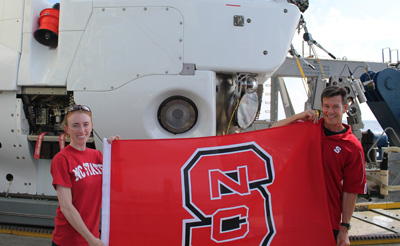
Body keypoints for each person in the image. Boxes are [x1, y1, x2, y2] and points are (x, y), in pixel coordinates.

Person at [272, 85, 367, 246]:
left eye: (335, 107)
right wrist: (298, 116)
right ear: (321, 107)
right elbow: (272, 131)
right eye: (326, 106)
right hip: (294, 216)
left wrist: (344, 229)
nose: (330, 111)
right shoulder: (308, 129)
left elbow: (351, 190)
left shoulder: (353, 147)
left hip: (327, 221)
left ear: (344, 108)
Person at [50, 105, 119, 246]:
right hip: (68, 240)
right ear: (67, 130)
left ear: (91, 126)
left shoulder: (97, 156)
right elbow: (66, 207)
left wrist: (116, 150)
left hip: (93, 237)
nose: (82, 131)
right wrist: (90, 239)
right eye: (75, 126)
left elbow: (118, 186)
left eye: (85, 125)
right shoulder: (62, 159)